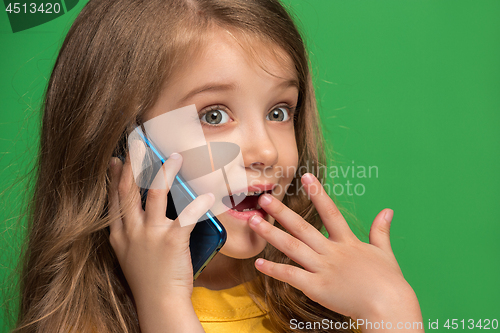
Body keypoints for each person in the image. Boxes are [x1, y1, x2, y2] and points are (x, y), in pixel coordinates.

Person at [14, 0, 424, 332]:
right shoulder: (83, 323)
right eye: (213, 116)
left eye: (279, 112)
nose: (265, 150)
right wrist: (163, 305)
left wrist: (392, 311)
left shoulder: (332, 308)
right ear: (126, 145)